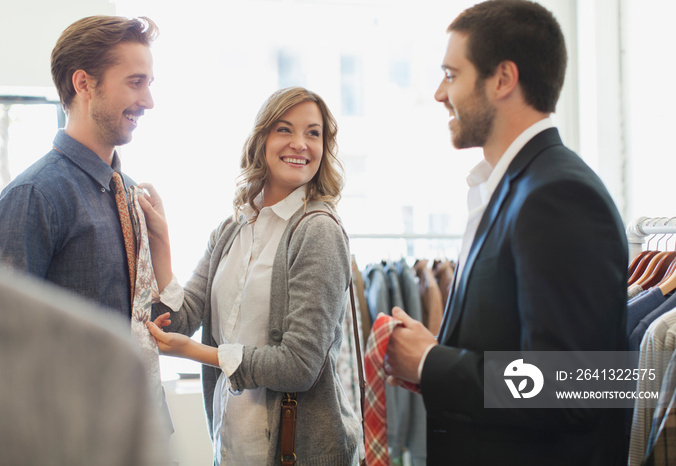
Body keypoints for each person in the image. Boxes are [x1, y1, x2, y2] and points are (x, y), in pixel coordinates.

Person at [385, 1, 628, 465]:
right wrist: (433, 359)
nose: (439, 93)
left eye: (451, 75)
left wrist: (431, 362)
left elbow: (576, 385)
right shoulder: (514, 188)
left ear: (502, 79)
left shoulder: (558, 195)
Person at [141, 87, 362, 465]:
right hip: (231, 445)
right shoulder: (232, 228)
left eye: (313, 133)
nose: (300, 144)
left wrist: (196, 353)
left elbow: (299, 365)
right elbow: (179, 319)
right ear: (261, 139)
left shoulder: (318, 231)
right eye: (284, 129)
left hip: (297, 452)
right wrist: (161, 242)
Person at [0, 15, 157, 317]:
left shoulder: (131, 193)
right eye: (135, 82)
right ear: (84, 84)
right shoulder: (33, 196)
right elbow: (1, 330)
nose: (148, 101)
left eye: (149, 84)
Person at [0, 248, 171, 466]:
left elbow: (175, 321)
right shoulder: (110, 354)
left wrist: (160, 238)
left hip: (130, 418)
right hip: (62, 425)